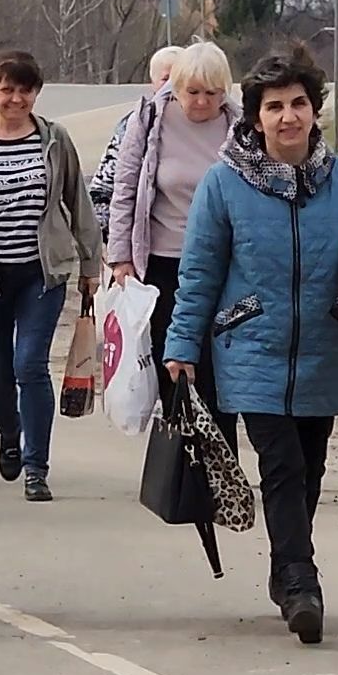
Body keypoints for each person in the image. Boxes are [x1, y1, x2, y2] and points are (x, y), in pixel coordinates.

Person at [163, 43, 338, 646]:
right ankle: (299, 581)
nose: (288, 116)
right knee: (282, 462)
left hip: (323, 345)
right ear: (255, 117)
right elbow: (199, 271)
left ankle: (285, 563)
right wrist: (182, 345)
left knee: (309, 468)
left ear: (315, 110)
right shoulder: (224, 183)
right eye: (274, 107)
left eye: (298, 104)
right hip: (249, 346)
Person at [0, 52, 101, 502]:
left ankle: (36, 467)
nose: (16, 99)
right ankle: (9, 432)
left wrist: (91, 265)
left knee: (29, 365)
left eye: (25, 90)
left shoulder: (54, 140)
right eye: (7, 89)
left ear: (36, 93)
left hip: (42, 273)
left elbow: (78, 202)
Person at [104, 42, 238, 425]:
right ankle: (180, 449)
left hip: (222, 265)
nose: (201, 102)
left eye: (212, 93)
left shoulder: (240, 127)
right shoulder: (149, 120)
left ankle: (219, 454)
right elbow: (125, 189)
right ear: (176, 87)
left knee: (217, 373)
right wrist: (121, 257)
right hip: (163, 263)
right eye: (192, 92)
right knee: (173, 368)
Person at [88, 44, 185, 238]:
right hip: (145, 239)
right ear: (152, 83)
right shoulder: (135, 125)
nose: (172, 87)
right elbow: (103, 188)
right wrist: (113, 237)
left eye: (180, 79)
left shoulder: (207, 124)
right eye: (166, 79)